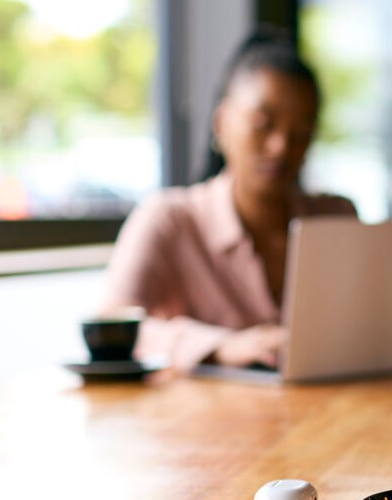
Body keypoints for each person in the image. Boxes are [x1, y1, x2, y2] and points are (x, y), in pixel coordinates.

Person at [99, 28, 357, 371]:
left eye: (300, 133)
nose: (281, 147)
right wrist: (220, 345)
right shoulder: (169, 218)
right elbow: (112, 324)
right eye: (263, 124)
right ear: (221, 124)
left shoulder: (335, 217)